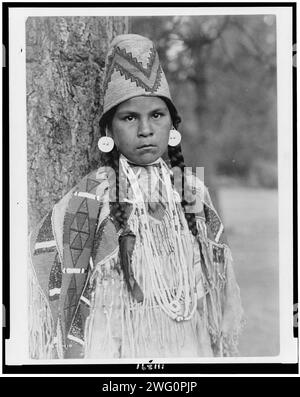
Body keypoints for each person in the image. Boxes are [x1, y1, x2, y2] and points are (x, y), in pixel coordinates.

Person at [28, 34, 244, 359]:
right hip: (117, 347)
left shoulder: (191, 191)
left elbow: (214, 274)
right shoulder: (93, 195)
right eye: (130, 118)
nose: (145, 129)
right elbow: (42, 252)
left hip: (188, 343)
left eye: (156, 115)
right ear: (109, 131)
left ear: (172, 123)